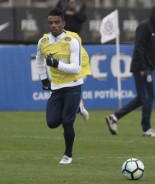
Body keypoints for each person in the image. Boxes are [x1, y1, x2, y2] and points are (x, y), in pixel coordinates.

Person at [36, 8, 91, 164]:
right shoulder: (43, 42)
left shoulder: (72, 41)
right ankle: (77, 108)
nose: (53, 25)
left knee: (67, 122)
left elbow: (76, 68)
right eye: (50, 22)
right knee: (52, 123)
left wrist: (56, 64)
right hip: (57, 87)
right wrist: (43, 78)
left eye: (56, 22)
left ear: (63, 23)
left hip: (73, 85)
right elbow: (39, 60)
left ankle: (68, 155)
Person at [105, 3, 155, 137]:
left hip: (149, 67)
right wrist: (142, 67)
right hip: (141, 67)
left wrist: (151, 66)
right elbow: (139, 47)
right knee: (149, 97)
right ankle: (146, 129)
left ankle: (114, 117)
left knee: (141, 98)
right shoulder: (145, 26)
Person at [56, 0, 89, 121]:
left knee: (77, 73)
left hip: (75, 42)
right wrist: (66, 10)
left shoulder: (81, 3)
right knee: (62, 75)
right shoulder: (62, 2)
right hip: (61, 43)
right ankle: (75, 105)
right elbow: (55, 17)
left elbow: (83, 18)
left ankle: (78, 103)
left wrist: (76, 11)